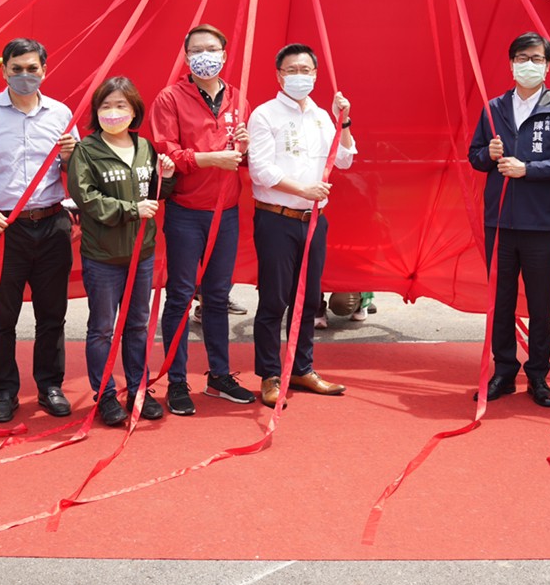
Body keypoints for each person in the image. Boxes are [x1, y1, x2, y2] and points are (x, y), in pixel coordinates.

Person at [0, 38, 78, 423]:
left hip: (52, 223)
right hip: (2, 226)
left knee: (52, 314)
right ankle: (4, 391)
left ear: (45, 70)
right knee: (1, 316)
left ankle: (49, 385)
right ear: (4, 70)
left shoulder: (61, 114)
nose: (25, 76)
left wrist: (72, 156)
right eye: (17, 69)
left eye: (32, 69)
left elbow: (74, 174)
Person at [466, 31, 550, 408]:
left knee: (539, 302)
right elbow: (474, 157)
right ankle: (504, 370)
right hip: (499, 220)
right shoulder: (494, 107)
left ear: (547, 65)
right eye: (521, 58)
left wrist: (527, 169)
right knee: (500, 300)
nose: (528, 65)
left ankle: (537, 373)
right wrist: (489, 153)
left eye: (535, 59)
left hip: (541, 223)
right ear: (511, 63)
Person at [147, 24, 255, 415]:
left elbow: (242, 151)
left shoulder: (238, 98)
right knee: (179, 296)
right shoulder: (170, 97)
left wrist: (243, 143)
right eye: (196, 50)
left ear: (225, 55)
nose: (204, 55)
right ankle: (176, 381)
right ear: (187, 56)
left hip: (225, 212)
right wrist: (210, 159)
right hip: (186, 214)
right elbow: (166, 154)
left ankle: (219, 375)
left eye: (211, 49)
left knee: (217, 297)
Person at [248, 43, 355, 407]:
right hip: (277, 218)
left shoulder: (323, 116)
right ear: (279, 75)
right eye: (291, 70)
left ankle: (302, 367)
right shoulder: (264, 115)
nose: (299, 76)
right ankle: (269, 375)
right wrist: (303, 189)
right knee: (274, 299)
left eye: (305, 70)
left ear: (315, 75)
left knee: (308, 299)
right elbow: (260, 170)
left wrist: (345, 124)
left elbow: (343, 160)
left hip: (314, 221)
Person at [69, 77, 176, 425]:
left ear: (134, 111)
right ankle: (105, 397)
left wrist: (168, 176)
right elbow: (87, 200)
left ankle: (139, 390)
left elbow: (157, 192)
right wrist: (131, 210)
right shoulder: (86, 150)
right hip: (102, 257)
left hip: (141, 255)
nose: (113, 113)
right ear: (96, 111)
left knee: (138, 325)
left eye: (121, 106)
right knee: (101, 327)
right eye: (106, 106)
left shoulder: (145, 147)